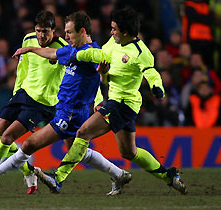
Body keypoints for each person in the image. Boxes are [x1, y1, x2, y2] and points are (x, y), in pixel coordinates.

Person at [35, 7, 188, 195]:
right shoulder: (113, 43)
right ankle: (169, 175)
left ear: (125, 32)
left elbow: (151, 72)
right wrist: (86, 62)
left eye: (114, 29)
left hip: (123, 103)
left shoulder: (141, 52)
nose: (111, 32)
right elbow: (99, 57)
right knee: (128, 152)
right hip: (116, 101)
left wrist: (157, 87)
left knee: (83, 132)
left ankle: (58, 177)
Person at [0, 11, 132, 196]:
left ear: (82, 31)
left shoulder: (91, 53)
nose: (65, 36)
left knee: (29, 144)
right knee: (78, 150)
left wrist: (106, 72)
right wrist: (30, 49)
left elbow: (106, 67)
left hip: (70, 113)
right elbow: (53, 53)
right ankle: (118, 174)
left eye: (69, 32)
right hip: (64, 109)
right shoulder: (73, 50)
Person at [0, 10, 68, 194]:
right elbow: (23, 68)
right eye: (38, 30)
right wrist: (16, 92)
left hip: (42, 103)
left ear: (54, 30)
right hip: (22, 94)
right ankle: (28, 172)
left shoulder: (62, 48)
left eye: (45, 31)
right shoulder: (28, 39)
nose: (41, 35)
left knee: (7, 138)